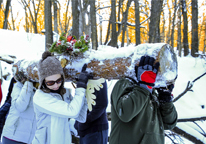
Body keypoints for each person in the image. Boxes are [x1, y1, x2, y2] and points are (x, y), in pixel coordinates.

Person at [109, 56, 178, 144]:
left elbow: (169, 123)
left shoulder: (151, 92)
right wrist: (144, 86)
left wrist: (165, 99)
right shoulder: (124, 84)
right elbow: (125, 113)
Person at [32, 51, 89, 144]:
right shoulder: (40, 97)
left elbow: (81, 117)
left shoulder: (64, 93)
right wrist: (80, 88)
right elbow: (72, 112)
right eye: (50, 82)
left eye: (59, 80)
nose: (56, 85)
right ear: (43, 82)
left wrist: (83, 92)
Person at [2, 71, 37, 144]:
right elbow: (21, 106)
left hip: (30, 139)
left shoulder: (43, 89)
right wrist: (28, 83)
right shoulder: (18, 85)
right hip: (12, 137)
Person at [75, 80, 109, 144]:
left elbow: (101, 105)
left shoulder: (99, 79)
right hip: (84, 129)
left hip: (96, 129)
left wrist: (84, 121)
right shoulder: (83, 79)